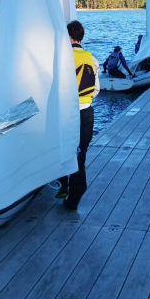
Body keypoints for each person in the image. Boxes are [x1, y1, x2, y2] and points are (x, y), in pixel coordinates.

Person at [56, 20, 100, 212]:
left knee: (62, 151)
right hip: (87, 112)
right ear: (81, 37)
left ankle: (63, 187)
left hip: (66, 113)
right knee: (80, 154)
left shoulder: (62, 58)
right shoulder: (91, 58)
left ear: (68, 36)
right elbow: (96, 89)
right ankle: (74, 196)